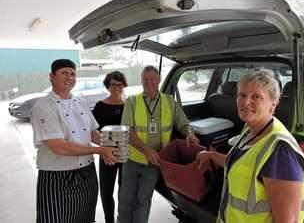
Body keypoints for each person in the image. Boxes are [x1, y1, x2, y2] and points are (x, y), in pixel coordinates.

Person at [197, 70, 304, 223]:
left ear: (273, 104)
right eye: (242, 95)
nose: (246, 102)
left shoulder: (280, 152)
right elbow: (242, 165)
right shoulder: (250, 129)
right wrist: (210, 155)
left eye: (256, 96)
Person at [30, 59, 119, 223]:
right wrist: (100, 151)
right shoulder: (43, 107)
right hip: (56, 176)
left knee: (86, 217)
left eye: (72, 74)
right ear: (51, 76)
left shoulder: (81, 102)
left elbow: (93, 132)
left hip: (87, 173)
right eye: (64, 73)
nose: (69, 77)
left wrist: (110, 145)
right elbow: (59, 147)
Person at [117, 65, 199, 223]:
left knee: (143, 201)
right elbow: (126, 131)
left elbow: (184, 124)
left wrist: (190, 134)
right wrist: (146, 150)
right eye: (145, 79)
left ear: (159, 79)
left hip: (155, 162)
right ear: (141, 81)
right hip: (132, 160)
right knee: (126, 201)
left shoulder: (169, 101)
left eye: (152, 78)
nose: (149, 82)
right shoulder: (132, 101)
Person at [92, 71, 127, 223]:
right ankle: (109, 220)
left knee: (124, 191)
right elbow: (93, 132)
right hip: (107, 154)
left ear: (124, 85)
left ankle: (122, 218)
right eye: (113, 84)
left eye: (119, 84)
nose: (116, 88)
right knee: (106, 192)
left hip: (126, 155)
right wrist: (105, 147)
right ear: (108, 86)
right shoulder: (100, 106)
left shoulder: (129, 106)